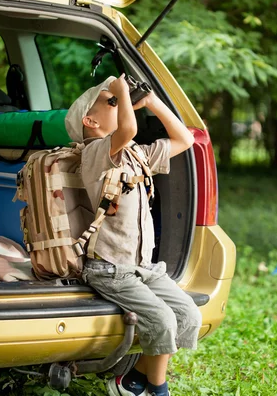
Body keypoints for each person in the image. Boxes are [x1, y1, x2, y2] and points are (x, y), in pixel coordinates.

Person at [65, 74, 202, 396]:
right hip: (110, 269)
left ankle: (133, 380)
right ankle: (158, 389)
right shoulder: (95, 152)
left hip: (142, 267)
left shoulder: (137, 154)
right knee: (163, 320)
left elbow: (185, 139)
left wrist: (152, 102)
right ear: (91, 121)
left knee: (188, 314)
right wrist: (124, 93)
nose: (118, 101)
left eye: (117, 99)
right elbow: (128, 129)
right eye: (109, 100)